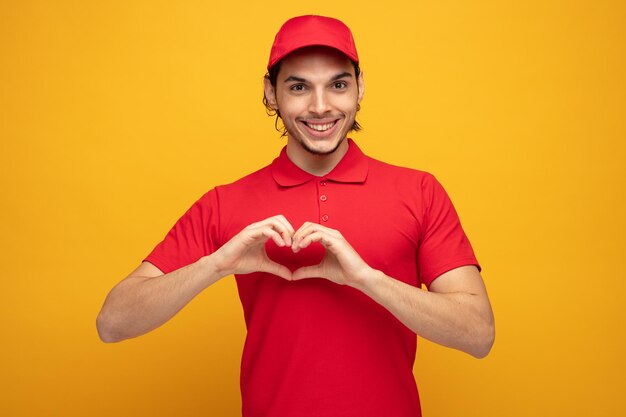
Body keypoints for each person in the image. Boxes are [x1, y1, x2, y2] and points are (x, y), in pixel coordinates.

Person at [97, 15, 495, 417]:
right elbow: (113, 323)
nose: (320, 107)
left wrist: (367, 279)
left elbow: (478, 333)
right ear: (271, 93)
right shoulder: (226, 202)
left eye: (338, 85)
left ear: (360, 88)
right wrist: (216, 265)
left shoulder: (419, 191)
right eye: (299, 87)